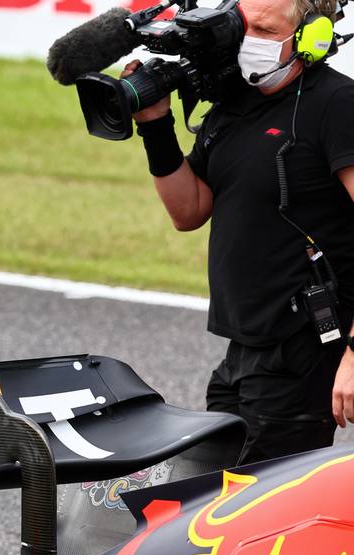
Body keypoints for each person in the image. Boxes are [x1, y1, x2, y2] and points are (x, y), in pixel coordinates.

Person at [126, 0, 354, 463]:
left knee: (254, 515)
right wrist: (156, 127)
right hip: (243, 351)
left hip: (303, 352)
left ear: (313, 37)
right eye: (243, 28)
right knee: (210, 501)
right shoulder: (234, 104)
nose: (250, 42)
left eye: (267, 31)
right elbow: (188, 210)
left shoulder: (338, 104)